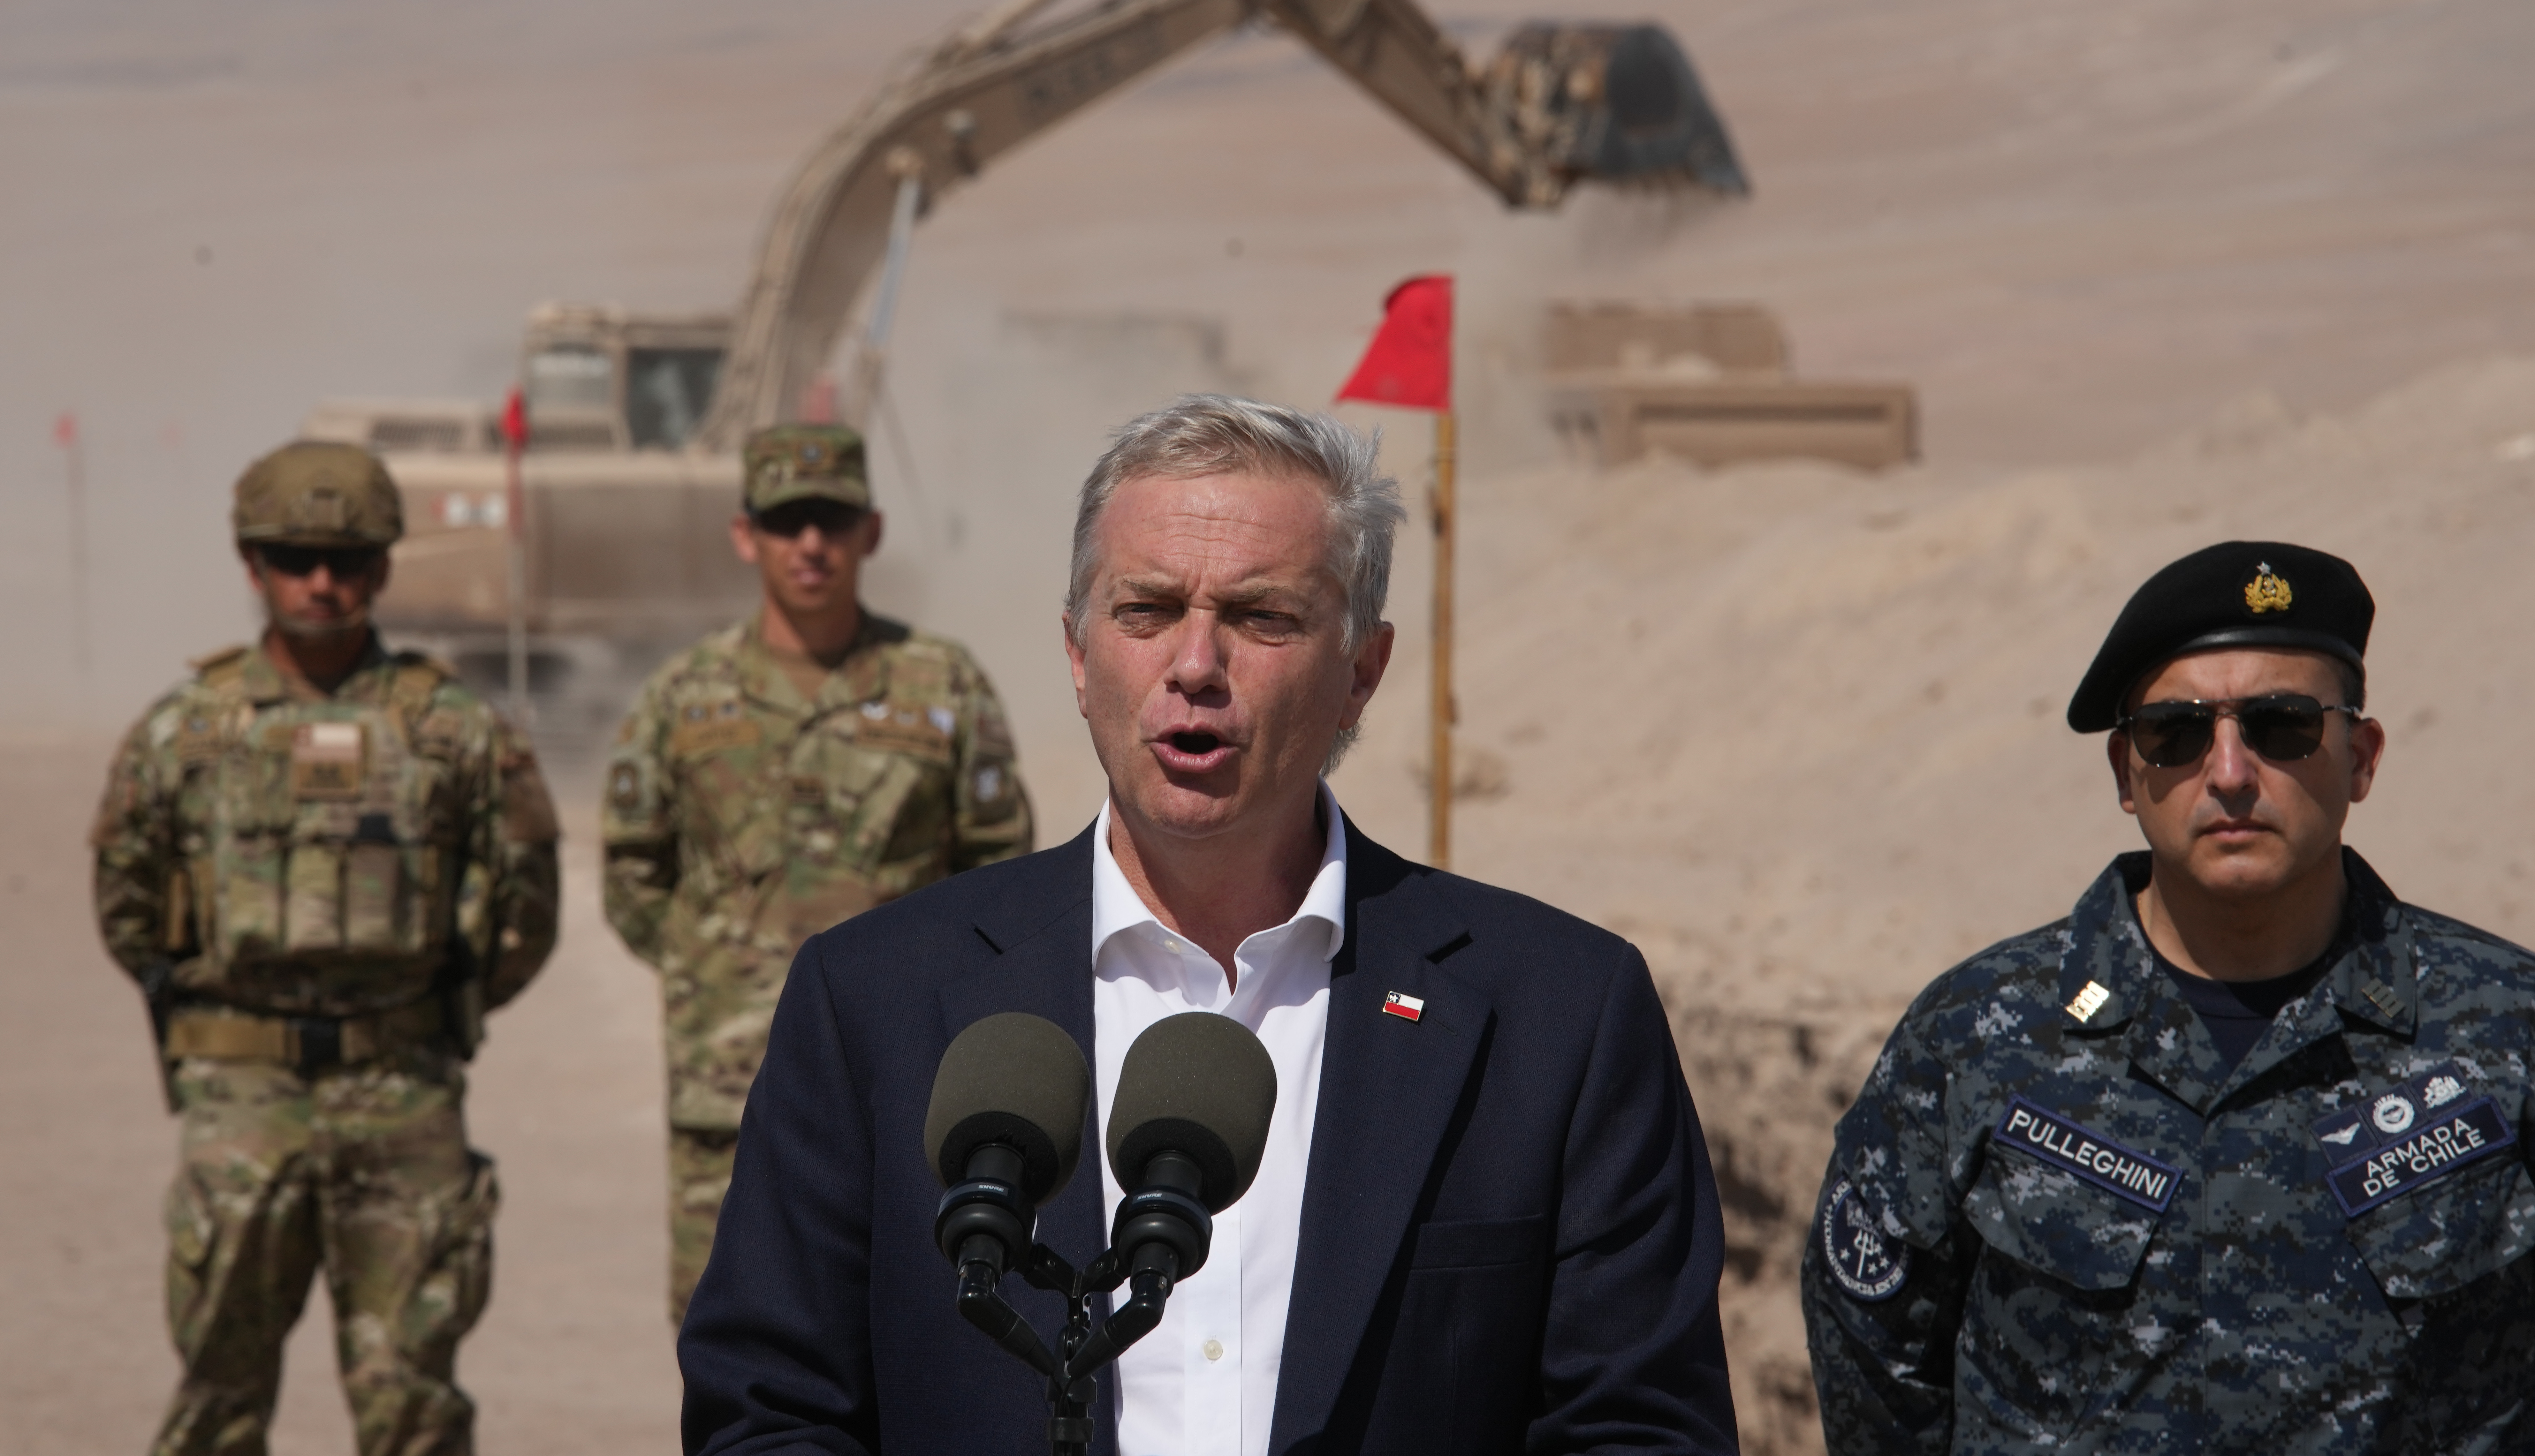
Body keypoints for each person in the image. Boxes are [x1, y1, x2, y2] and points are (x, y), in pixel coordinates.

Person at [679, 395, 1739, 1456]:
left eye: (1261, 617)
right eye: (1145, 610)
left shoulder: (1560, 1018)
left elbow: (1639, 1425)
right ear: (1079, 655)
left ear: (1361, 674)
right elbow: (768, 1408)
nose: (1195, 665)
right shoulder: (872, 1003)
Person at [1803, 539, 2535, 1452]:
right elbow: (1875, 1371)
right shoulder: (1977, 1038)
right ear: (2124, 773)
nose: (2229, 773)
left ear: (2360, 756)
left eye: (2280, 725)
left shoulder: (2504, 1031)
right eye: (2176, 734)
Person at [91, 441, 560, 1456]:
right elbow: (126, 903)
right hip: (241, 1102)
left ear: (384, 569)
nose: (321, 583)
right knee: (219, 1389)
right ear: (251, 563)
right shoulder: (185, 732)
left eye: (346, 561)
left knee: (414, 1402)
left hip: (403, 1093)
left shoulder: (456, 732)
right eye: (295, 557)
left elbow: (525, 913)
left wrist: (425, 1021)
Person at [603, 423, 1034, 1324]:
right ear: (744, 533)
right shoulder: (685, 697)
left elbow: (999, 868)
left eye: (831, 521)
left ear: (870, 532)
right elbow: (632, 872)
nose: (810, 545)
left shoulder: (940, 684)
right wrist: (715, 967)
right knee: (732, 1336)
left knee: (912, 1330)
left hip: (906, 1082)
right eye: (787, 520)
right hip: (728, 1081)